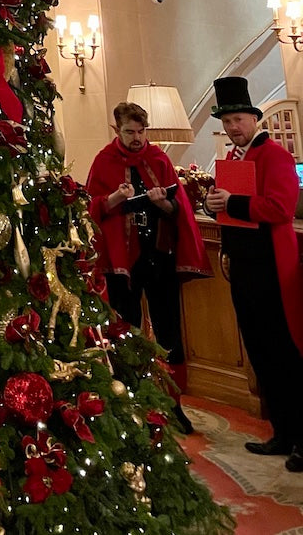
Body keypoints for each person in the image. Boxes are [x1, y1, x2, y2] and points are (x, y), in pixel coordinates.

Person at [87, 99, 210, 433]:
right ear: (118, 130)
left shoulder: (159, 159)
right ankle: (132, 403)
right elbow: (91, 207)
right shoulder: (104, 161)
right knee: (126, 331)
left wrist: (164, 203)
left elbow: (178, 208)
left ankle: (174, 404)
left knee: (169, 331)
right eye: (130, 131)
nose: (137, 138)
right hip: (122, 262)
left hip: (159, 256)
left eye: (141, 131)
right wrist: (114, 199)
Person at [204, 76, 303, 470]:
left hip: (272, 269)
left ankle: (302, 438)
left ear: (254, 118)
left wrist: (234, 202)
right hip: (243, 267)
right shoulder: (230, 159)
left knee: (285, 352)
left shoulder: (275, 156)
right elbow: (232, 208)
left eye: (239, 119)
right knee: (260, 351)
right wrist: (215, 205)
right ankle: (281, 432)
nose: (233, 127)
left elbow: (280, 208)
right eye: (227, 122)